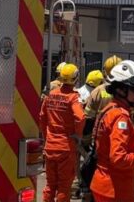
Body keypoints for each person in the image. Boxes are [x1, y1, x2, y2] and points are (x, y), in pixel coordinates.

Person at [90, 60, 134, 202]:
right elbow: (118, 158)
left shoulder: (110, 110)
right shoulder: (120, 117)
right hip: (115, 190)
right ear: (120, 90)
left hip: (106, 186)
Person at [40, 63, 85, 202]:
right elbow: (81, 117)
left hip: (50, 147)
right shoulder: (73, 97)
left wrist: (46, 137)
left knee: (50, 185)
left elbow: (42, 117)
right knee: (64, 187)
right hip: (66, 148)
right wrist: (78, 135)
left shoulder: (51, 95)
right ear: (75, 78)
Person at [84, 56, 134, 146]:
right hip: (123, 140)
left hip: (101, 141)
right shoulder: (123, 112)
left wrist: (86, 143)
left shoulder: (97, 92)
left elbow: (88, 120)